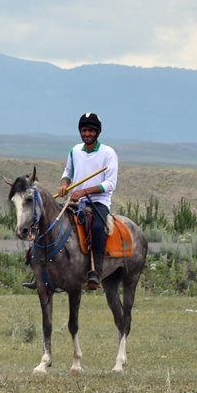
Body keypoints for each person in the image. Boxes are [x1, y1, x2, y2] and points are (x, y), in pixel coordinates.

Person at [57, 112, 118, 290]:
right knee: (53, 221)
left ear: (97, 132)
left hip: (98, 202)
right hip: (75, 200)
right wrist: (64, 184)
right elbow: (67, 171)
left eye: (91, 130)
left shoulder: (108, 153)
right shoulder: (74, 151)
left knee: (98, 227)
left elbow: (110, 184)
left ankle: (96, 272)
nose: (87, 134)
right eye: (84, 130)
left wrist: (84, 191)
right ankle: (46, 269)